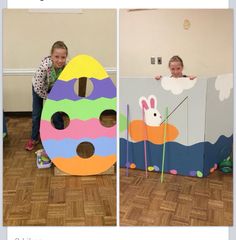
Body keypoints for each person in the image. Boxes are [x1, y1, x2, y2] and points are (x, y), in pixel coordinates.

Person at [25, 41, 68, 151]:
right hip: (38, 88)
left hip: (53, 87)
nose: (60, 60)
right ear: (51, 55)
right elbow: (39, 88)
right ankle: (34, 138)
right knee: (37, 114)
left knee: (56, 113)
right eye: (56, 56)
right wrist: (48, 98)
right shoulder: (45, 67)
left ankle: (60, 136)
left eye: (63, 57)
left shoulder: (66, 66)